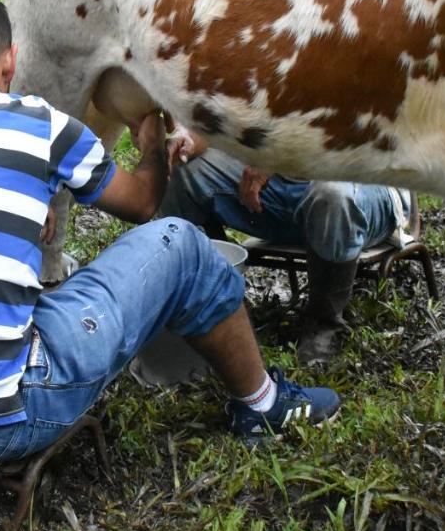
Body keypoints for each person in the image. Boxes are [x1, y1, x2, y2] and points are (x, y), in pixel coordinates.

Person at [0, 0, 340, 461]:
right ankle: (262, 405)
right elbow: (143, 204)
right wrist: (149, 145)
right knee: (181, 242)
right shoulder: (38, 124)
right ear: (11, 61)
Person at [160, 137, 412, 366]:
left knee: (332, 194)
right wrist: (189, 138)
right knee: (184, 173)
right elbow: (227, 118)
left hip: (362, 183)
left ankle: (324, 324)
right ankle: (215, 310)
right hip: (282, 186)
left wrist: (276, 159)